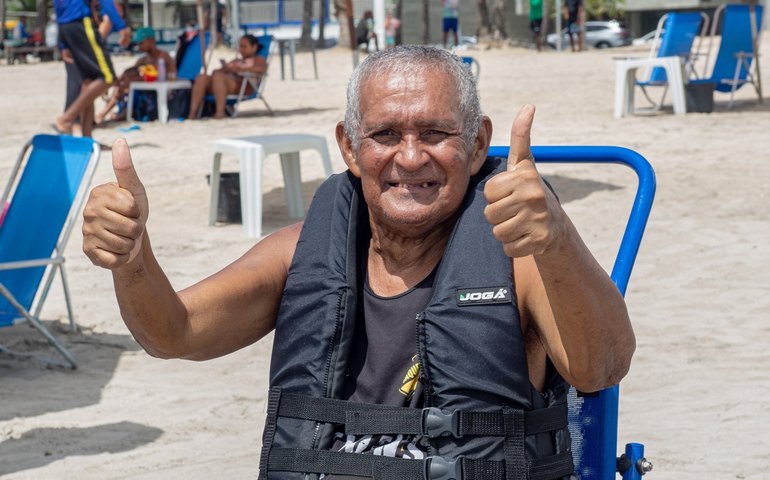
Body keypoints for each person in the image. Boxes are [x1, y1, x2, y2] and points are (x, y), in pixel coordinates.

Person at [82, 46, 634, 479]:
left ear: (476, 143)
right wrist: (132, 257)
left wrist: (556, 238)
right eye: (386, 134)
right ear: (349, 146)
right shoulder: (302, 250)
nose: (411, 157)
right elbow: (174, 332)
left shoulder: (522, 255)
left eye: (437, 134)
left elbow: (601, 368)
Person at [53, 0, 130, 135]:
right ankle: (67, 118)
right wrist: (122, 26)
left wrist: (63, 43)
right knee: (108, 77)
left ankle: (87, 140)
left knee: (88, 82)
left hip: (66, 27)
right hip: (81, 24)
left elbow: (58, 8)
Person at [95, 27, 176, 124]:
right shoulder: (143, 59)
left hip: (157, 93)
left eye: (141, 43)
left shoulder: (164, 57)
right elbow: (127, 73)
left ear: (151, 40)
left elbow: (172, 76)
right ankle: (105, 113)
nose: (139, 46)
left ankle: (109, 113)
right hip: (144, 90)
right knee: (126, 78)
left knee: (128, 82)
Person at [187, 34, 266, 119]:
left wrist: (237, 69)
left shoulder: (258, 59)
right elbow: (217, 71)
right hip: (224, 84)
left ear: (254, 47)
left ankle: (220, 113)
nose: (241, 49)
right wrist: (226, 68)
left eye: (244, 47)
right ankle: (192, 114)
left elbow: (261, 70)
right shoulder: (237, 60)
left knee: (219, 77)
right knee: (202, 78)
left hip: (243, 86)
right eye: (240, 46)